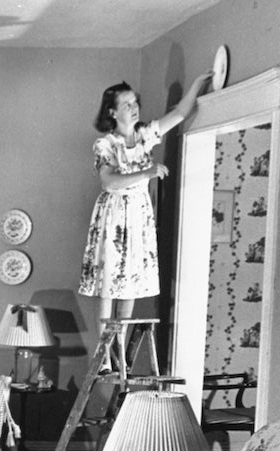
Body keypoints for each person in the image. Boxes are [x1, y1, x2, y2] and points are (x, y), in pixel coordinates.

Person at [79, 72, 213, 342]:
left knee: (129, 284)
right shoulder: (106, 144)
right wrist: (146, 173)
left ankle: (119, 348)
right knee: (109, 286)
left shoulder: (144, 135)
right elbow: (109, 181)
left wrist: (198, 83)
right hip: (115, 213)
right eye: (126, 104)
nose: (134, 107)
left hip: (139, 214)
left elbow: (180, 113)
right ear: (112, 112)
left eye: (135, 102)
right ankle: (103, 353)